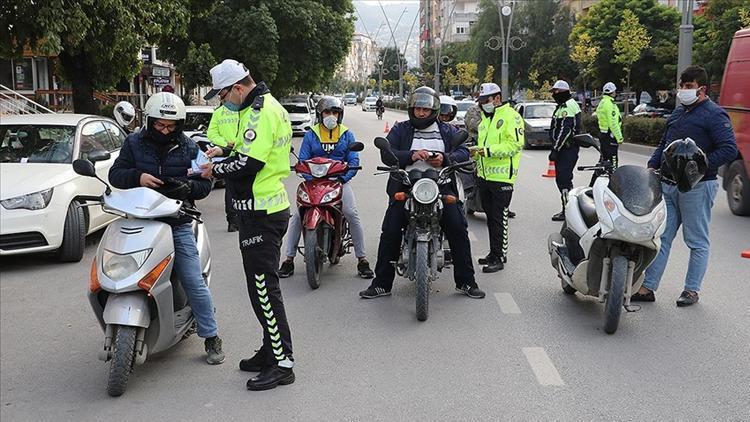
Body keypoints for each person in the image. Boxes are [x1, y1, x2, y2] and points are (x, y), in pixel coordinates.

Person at [108, 92, 225, 365]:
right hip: (138, 220)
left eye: (171, 126)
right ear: (149, 121)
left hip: (177, 221)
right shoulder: (133, 143)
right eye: (160, 125)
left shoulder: (188, 148)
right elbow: (116, 174)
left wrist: (188, 188)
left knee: (193, 281)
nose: (165, 130)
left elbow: (205, 183)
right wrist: (138, 177)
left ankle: (211, 336)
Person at [200, 59, 295, 390]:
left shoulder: (259, 112)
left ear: (237, 87)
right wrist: (225, 154)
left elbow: (250, 162)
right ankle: (270, 350)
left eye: (223, 94)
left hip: (262, 212)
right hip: (260, 209)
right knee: (259, 289)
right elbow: (247, 151)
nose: (222, 101)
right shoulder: (261, 107)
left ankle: (283, 363)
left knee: (265, 291)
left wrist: (214, 170)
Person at [359, 86, 485, 300]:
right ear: (411, 109)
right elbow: (388, 153)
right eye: (417, 109)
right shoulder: (401, 129)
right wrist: (411, 155)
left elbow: (463, 150)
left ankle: (466, 281)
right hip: (407, 186)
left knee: (457, 226)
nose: (421, 113)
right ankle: (381, 283)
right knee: (390, 229)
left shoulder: (447, 130)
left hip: (440, 185)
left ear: (434, 110)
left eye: (425, 110)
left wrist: (445, 159)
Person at [632, 66, 737, 307]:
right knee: (662, 237)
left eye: (688, 87)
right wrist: (653, 163)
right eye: (682, 86)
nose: (683, 91)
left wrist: (699, 167)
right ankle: (648, 287)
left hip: (697, 187)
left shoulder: (715, 115)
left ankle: (691, 290)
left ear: (702, 89)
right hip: (668, 185)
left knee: (696, 240)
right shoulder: (679, 113)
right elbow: (665, 143)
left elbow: (729, 149)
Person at [278, 96, 373, 279]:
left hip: (338, 182)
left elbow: (353, 160)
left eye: (335, 112)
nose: (331, 116)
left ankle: (362, 259)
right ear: (320, 114)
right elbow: (303, 159)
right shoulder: (311, 134)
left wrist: (343, 178)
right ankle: (288, 259)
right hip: (313, 183)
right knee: (298, 215)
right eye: (327, 112)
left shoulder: (346, 134)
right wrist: (306, 174)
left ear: (340, 115)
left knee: (351, 213)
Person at [471, 83, 524, 273]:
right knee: (490, 216)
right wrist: (476, 154)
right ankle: (494, 253)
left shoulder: (511, 116)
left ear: (497, 98)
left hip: (502, 178)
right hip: (485, 176)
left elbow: (515, 145)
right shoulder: (486, 120)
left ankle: (500, 257)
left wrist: (487, 151)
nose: (483, 104)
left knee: (498, 218)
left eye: (486, 100)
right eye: (481, 101)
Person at [548, 80, 582, 221]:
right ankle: (570, 208)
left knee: (563, 180)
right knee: (565, 180)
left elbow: (565, 130)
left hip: (566, 149)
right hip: (564, 149)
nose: (554, 94)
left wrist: (556, 149)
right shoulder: (563, 105)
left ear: (563, 92)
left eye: (556, 92)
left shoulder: (568, 106)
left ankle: (568, 211)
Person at [205, 96, 241, 232]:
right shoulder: (243, 111)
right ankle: (235, 220)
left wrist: (226, 144)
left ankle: (233, 221)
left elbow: (212, 134)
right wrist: (229, 144)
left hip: (227, 154)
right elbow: (211, 133)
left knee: (231, 189)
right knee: (234, 188)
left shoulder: (219, 112)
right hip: (235, 153)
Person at [596, 82, 623, 169]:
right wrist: (619, 137)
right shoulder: (610, 104)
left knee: (603, 161)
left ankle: (595, 180)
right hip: (610, 136)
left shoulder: (602, 103)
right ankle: (613, 180)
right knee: (613, 161)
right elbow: (613, 123)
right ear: (613, 92)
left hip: (603, 134)